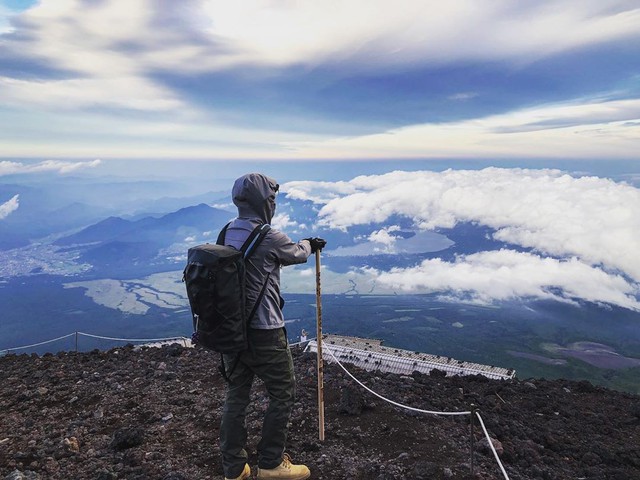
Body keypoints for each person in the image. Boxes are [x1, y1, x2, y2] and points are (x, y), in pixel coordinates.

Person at [220, 173, 326, 480]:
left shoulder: (225, 232)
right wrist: (310, 242)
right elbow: (298, 253)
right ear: (264, 202)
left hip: (232, 332)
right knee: (282, 392)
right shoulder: (269, 236)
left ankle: (234, 467)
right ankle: (271, 464)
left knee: (236, 393)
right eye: (272, 200)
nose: (274, 205)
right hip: (266, 331)